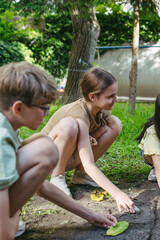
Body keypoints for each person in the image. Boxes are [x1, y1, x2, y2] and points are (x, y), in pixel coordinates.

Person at [0, 62, 117, 240]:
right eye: (43, 107)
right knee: (45, 147)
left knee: (41, 144)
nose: (46, 114)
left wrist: (90, 215)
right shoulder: (2, 138)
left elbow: (40, 186)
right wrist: (8, 225)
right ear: (19, 108)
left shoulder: (8, 127)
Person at [41, 67, 135, 213]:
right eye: (110, 96)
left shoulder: (101, 110)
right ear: (92, 97)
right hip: (48, 159)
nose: (115, 100)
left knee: (114, 123)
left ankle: (81, 175)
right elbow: (89, 162)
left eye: (115, 95)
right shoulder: (77, 114)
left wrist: (88, 135)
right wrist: (117, 194)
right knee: (69, 125)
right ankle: (57, 178)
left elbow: (103, 129)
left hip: (70, 154)